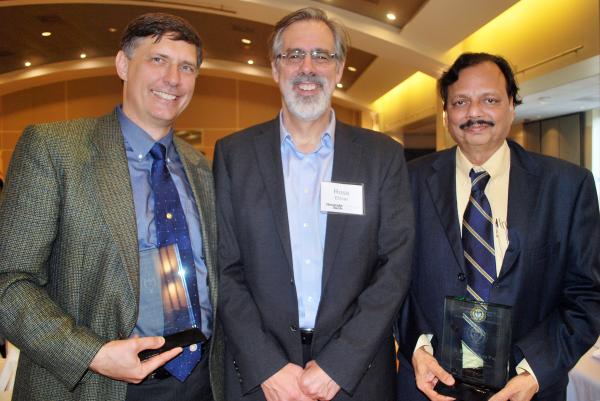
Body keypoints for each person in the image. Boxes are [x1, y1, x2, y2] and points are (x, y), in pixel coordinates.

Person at [0, 12, 223, 401]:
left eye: (187, 67)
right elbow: (8, 280)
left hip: (200, 383)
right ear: (123, 64)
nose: (173, 78)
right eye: (158, 60)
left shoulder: (201, 167)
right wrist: (93, 354)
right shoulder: (56, 150)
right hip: (96, 385)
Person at [214, 7, 414, 401]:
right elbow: (223, 268)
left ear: (339, 70)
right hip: (260, 377)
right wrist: (266, 364)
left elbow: (395, 267)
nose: (308, 67)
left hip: (356, 377)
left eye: (322, 56)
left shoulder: (382, 157)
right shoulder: (234, 155)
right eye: (294, 55)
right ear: (275, 68)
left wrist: (340, 363)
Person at [396, 52, 600, 401]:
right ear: (446, 113)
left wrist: (535, 372)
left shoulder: (567, 186)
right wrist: (414, 346)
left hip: (528, 386)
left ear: (511, 107)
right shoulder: (406, 181)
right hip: (429, 385)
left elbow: (587, 296)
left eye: (489, 99)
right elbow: (390, 278)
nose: (474, 112)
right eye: (461, 101)